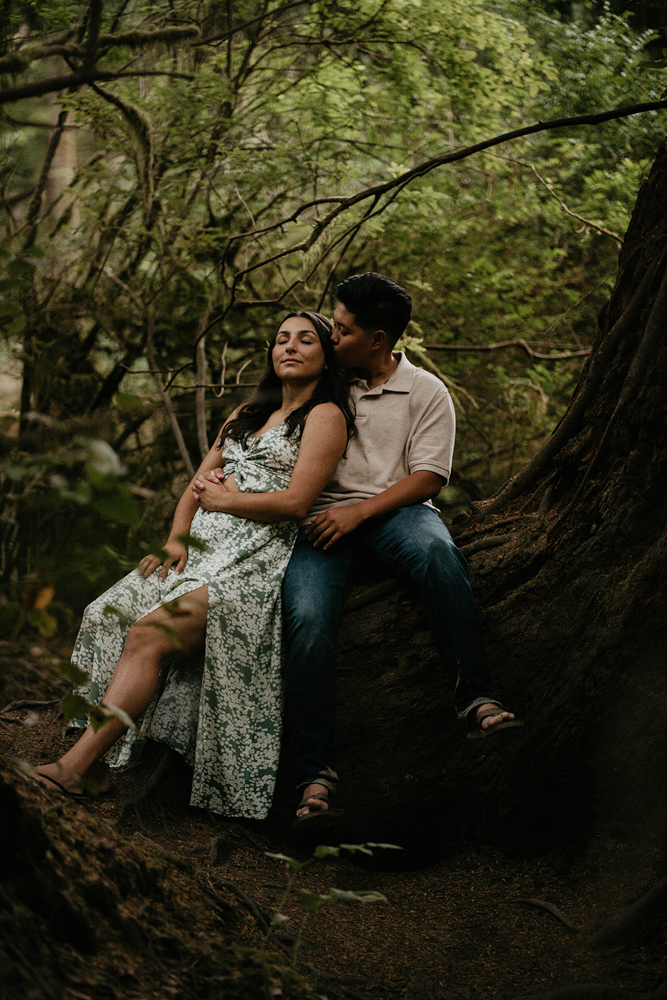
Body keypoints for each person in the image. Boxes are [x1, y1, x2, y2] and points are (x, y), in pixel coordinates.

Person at [33, 311, 355, 819]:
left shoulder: (326, 416)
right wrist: (175, 540)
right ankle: (97, 762)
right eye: (281, 340)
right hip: (200, 546)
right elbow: (197, 483)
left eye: (306, 340)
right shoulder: (247, 411)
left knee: (147, 635)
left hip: (252, 559)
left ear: (325, 354)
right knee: (104, 614)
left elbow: (296, 503)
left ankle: (73, 767)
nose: (289, 348)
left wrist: (226, 502)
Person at [279, 273, 522, 825]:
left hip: (396, 515)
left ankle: (475, 698)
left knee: (438, 555)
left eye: (341, 330)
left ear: (378, 339)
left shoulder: (426, 390)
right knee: (309, 618)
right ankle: (314, 775)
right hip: (319, 525)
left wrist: (360, 512)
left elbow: (430, 477)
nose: (331, 336)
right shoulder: (326, 381)